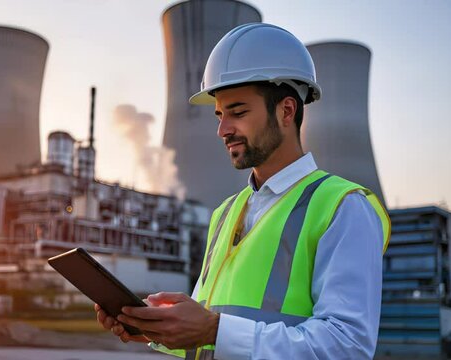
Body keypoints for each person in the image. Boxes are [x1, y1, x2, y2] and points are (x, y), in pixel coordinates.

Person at [95, 23, 390, 360]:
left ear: (286, 111)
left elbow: (346, 347)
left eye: (238, 112)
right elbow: (206, 330)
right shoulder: (225, 213)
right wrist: (152, 326)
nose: (222, 129)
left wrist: (214, 330)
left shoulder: (342, 207)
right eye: (220, 114)